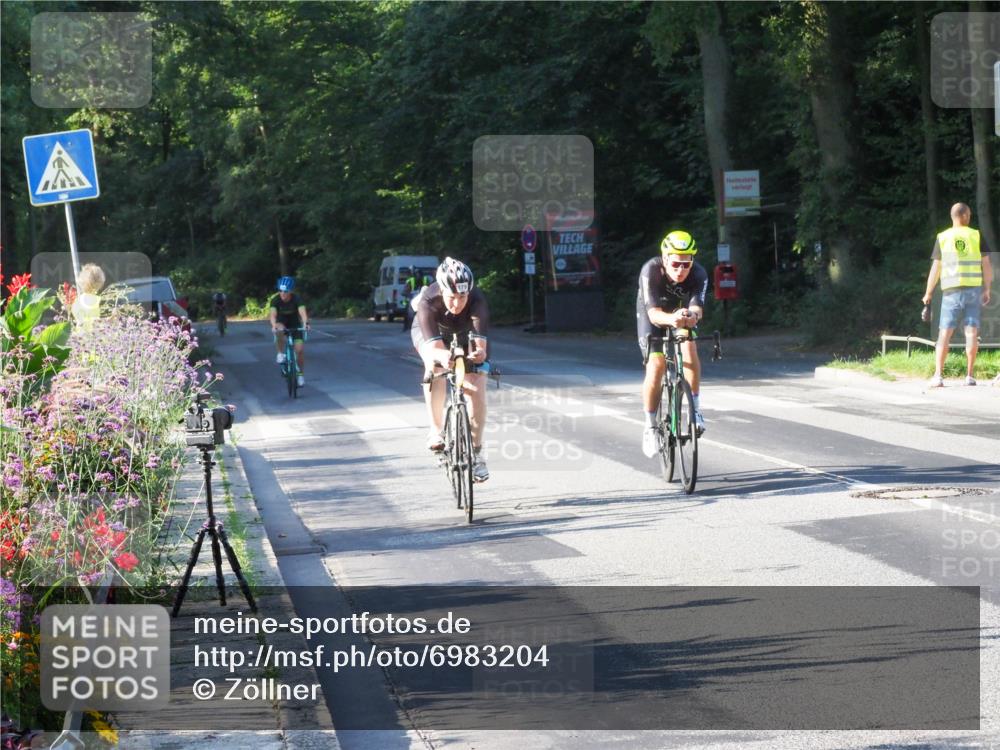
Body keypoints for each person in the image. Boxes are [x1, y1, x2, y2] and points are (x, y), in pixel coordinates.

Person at [412, 257, 490, 482]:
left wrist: (477, 354)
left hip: (465, 332)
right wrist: (444, 356)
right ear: (442, 291)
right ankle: (436, 430)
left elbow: (480, 346)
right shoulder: (428, 300)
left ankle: (476, 453)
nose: (457, 303)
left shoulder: (477, 300)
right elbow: (435, 349)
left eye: (462, 297)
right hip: (432, 331)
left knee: (476, 384)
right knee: (435, 366)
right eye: (452, 297)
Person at [637, 230, 709, 459]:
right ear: (665, 258)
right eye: (676, 263)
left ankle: (695, 411)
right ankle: (650, 426)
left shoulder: (699, 274)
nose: (680, 270)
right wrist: (672, 319)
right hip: (654, 315)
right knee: (656, 365)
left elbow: (697, 308)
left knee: (689, 346)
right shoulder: (651, 270)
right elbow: (654, 314)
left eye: (686, 264)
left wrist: (692, 316)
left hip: (680, 313)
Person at [921, 203, 993, 387]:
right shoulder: (976, 235)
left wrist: (928, 292)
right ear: (966, 216)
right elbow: (986, 265)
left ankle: (938, 375)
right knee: (971, 332)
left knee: (944, 333)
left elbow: (936, 268)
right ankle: (969, 376)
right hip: (973, 291)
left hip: (951, 292)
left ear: (952, 216)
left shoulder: (943, 237)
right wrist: (987, 288)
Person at [269, 276, 310, 387]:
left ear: (291, 291)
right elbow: (273, 315)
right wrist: (273, 325)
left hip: (295, 324)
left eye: (285, 291)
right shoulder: (275, 300)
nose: (282, 293)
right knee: (279, 329)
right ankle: (280, 353)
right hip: (281, 322)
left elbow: (302, 313)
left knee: (299, 351)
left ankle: (300, 375)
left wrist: (305, 323)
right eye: (280, 290)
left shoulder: (297, 299)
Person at [71, 263, 105, 327]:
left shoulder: (78, 300)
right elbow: (97, 321)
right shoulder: (96, 300)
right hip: (92, 331)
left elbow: (76, 315)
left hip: (80, 331)